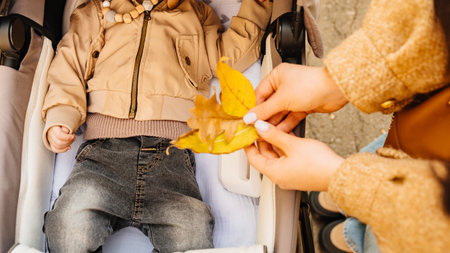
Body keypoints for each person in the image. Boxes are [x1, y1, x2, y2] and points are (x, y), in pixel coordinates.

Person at [41, 0, 271, 252]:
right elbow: (68, 65)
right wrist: (61, 115)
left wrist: (257, 4)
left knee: (191, 230)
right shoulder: (97, 11)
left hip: (170, 159)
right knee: (69, 225)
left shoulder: (194, 14)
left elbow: (230, 55)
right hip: (103, 156)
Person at [243, 0, 450, 252]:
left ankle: (354, 233)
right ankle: (350, 208)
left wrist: (343, 179)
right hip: (428, 130)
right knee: (396, 152)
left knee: (379, 234)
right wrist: (338, 81)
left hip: (426, 231)